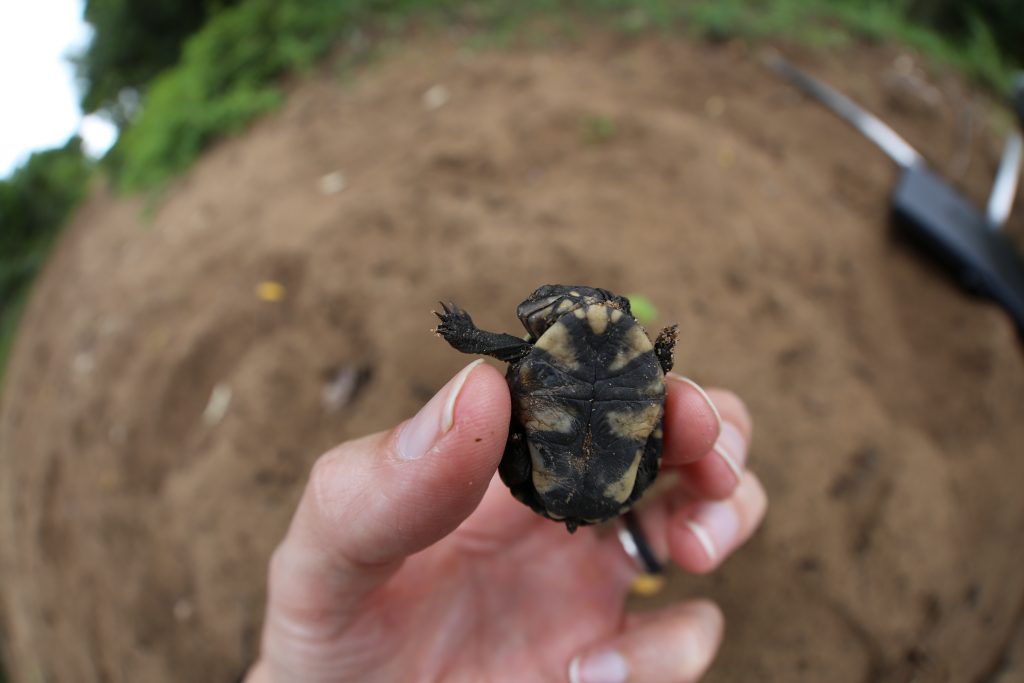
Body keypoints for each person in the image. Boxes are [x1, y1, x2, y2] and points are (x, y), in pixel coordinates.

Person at [243, 360, 767, 683]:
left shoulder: (549, 358)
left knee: (698, 425)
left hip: (584, 481)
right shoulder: (628, 368)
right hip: (602, 482)